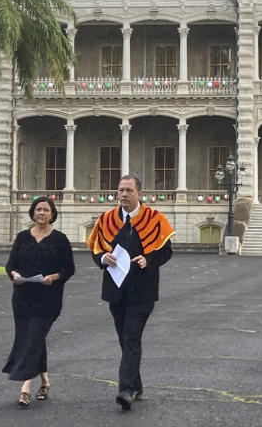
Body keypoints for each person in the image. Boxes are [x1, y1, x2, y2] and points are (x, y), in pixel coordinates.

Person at [87, 174, 175, 411]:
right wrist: (102, 258)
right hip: (116, 291)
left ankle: (126, 390)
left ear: (139, 194)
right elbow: (96, 249)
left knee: (131, 337)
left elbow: (165, 251)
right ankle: (136, 384)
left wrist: (148, 259)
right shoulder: (106, 219)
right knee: (124, 338)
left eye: (128, 190)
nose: (123, 194)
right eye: (121, 190)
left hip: (142, 292)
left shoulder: (155, 219)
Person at [2, 196, 75, 409]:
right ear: (33, 213)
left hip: (48, 300)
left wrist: (53, 277)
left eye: (46, 210)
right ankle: (44, 381)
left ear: (52, 215)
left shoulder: (60, 239)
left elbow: (68, 269)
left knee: (32, 337)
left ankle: (25, 386)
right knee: (32, 338)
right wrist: (14, 274)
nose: (41, 213)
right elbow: (10, 266)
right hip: (23, 298)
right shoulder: (22, 238)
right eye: (38, 209)